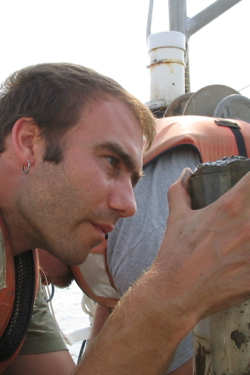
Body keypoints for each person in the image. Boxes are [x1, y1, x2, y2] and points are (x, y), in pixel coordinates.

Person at [2, 63, 250, 375]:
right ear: (27, 142)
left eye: (133, 181)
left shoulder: (20, 281)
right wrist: (173, 287)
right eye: (111, 161)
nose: (129, 206)